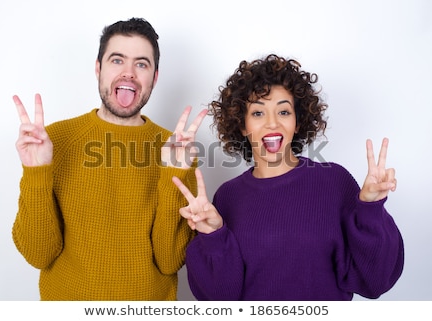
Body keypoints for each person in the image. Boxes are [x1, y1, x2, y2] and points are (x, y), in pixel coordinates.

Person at [172, 54, 404, 300]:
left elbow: (375, 281)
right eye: (258, 113)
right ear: (242, 125)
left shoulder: (334, 182)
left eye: (283, 111)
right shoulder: (227, 197)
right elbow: (220, 299)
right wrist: (213, 236)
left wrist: (370, 209)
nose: (272, 123)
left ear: (297, 121)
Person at [12, 17, 207, 301]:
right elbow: (38, 255)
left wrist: (171, 175)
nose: (129, 73)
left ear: (154, 77)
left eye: (141, 64)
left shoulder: (178, 149)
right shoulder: (54, 141)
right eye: (117, 60)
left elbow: (169, 261)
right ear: (98, 68)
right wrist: (36, 173)